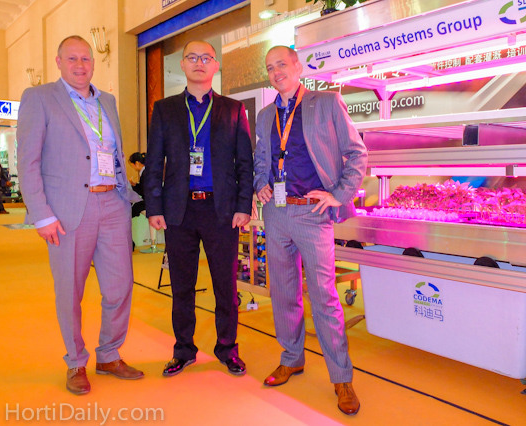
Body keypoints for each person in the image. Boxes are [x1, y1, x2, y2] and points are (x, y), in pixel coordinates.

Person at [16, 35, 144, 395]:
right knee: (71, 291)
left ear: (93, 63)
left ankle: (109, 354)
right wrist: (41, 214)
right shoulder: (39, 98)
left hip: (113, 204)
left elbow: (112, 152)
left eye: (86, 58)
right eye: (71, 58)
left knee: (120, 286)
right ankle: (75, 361)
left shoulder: (107, 101)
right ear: (58, 62)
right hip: (69, 209)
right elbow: (28, 162)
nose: (80, 65)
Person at [253, 46, 368, 415]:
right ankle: (291, 358)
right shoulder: (265, 115)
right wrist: (260, 184)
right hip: (276, 213)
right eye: (270, 68)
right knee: (283, 292)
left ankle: (341, 377)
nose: (276, 72)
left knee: (324, 297)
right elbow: (261, 159)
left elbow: (358, 153)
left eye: (282, 64)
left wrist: (339, 195)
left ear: (298, 67)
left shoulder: (327, 103)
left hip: (313, 214)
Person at [145, 40, 253, 378]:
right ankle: (183, 350)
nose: (199, 62)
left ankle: (227, 348)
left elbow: (244, 163)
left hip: (222, 211)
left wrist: (243, 206)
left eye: (206, 57)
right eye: (192, 57)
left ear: (215, 65)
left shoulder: (233, 109)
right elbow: (153, 162)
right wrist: (153, 206)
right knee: (181, 285)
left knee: (225, 285)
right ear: (182, 64)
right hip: (179, 211)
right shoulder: (165, 109)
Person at [128, 152, 146, 218]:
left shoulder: (145, 173)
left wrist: (135, 186)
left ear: (137, 163)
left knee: (132, 210)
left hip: (148, 201)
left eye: (132, 165)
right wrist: (134, 184)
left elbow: (143, 191)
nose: (133, 167)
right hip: (148, 200)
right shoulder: (145, 172)